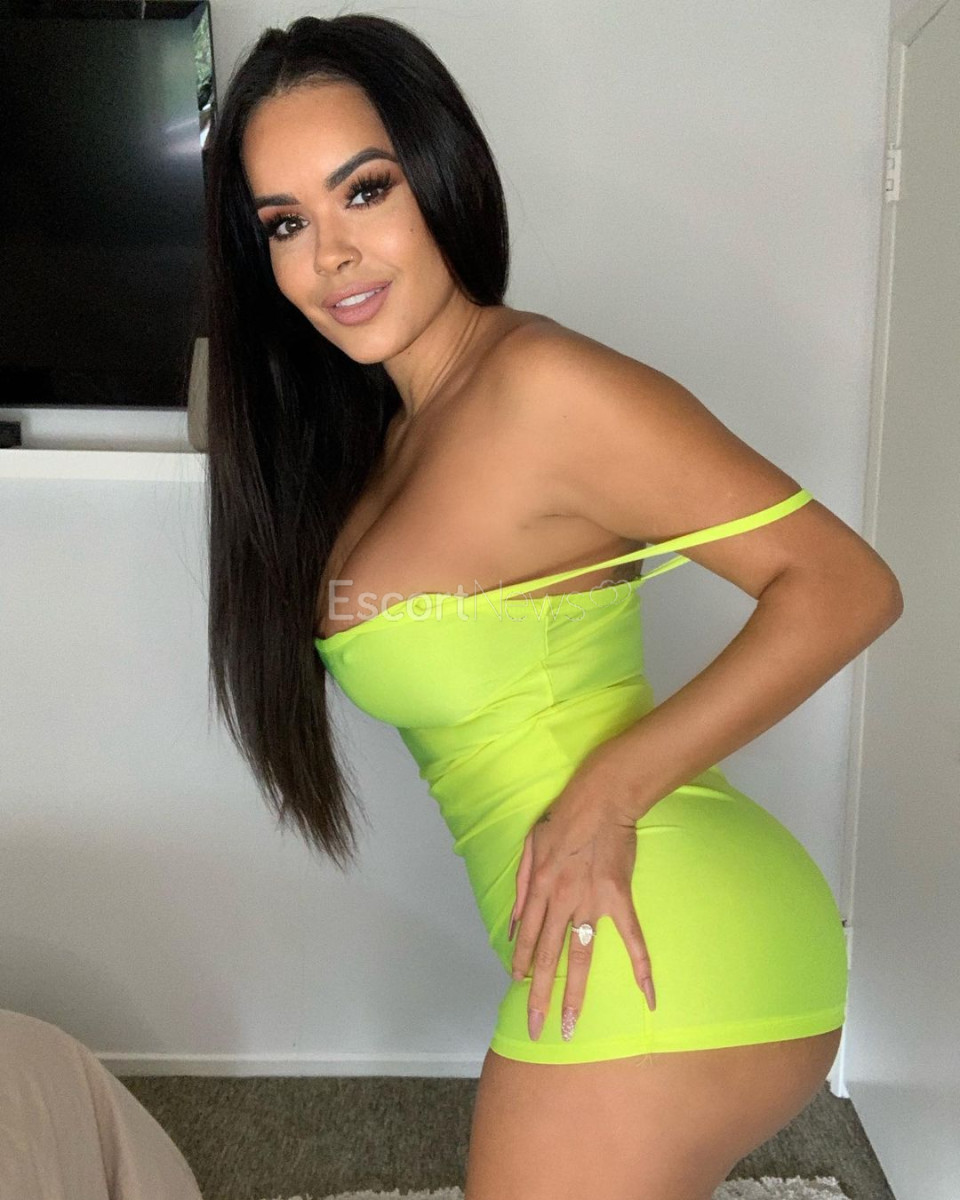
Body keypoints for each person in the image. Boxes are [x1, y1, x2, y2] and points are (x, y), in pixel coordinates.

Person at [203, 13, 903, 1200]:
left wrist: (604, 793)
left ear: (441, 174)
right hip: (608, 929)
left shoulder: (542, 389)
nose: (332, 255)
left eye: (364, 191)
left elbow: (844, 586)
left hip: (666, 936)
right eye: (285, 223)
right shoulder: (389, 435)